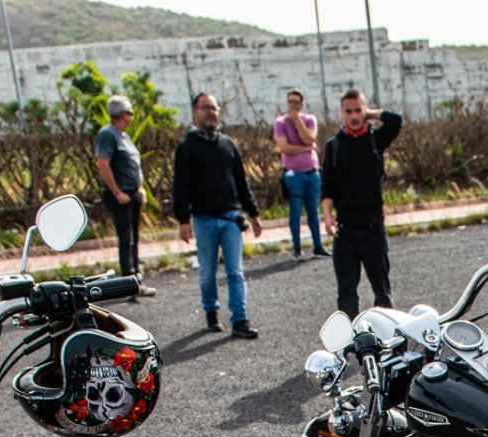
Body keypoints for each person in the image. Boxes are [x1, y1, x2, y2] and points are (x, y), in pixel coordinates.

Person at [171, 91, 262, 338]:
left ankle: (240, 320)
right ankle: (211, 313)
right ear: (194, 111)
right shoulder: (186, 147)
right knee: (208, 272)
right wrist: (183, 220)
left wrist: (253, 214)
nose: (210, 112)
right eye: (205, 107)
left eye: (214, 107)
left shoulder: (228, 144)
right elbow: (181, 186)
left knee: (235, 271)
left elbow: (242, 183)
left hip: (231, 217)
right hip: (204, 219)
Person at [320, 89, 401, 317]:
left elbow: (395, 120)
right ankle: (349, 347)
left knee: (382, 293)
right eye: (349, 111)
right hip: (345, 232)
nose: (354, 116)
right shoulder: (334, 145)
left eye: (358, 110)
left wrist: (371, 114)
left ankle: (389, 344)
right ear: (341, 113)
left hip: (373, 229)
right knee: (346, 294)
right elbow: (327, 187)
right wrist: (327, 217)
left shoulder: (376, 139)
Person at [94, 95, 156, 296]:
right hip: (120, 195)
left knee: (134, 236)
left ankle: (136, 276)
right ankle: (128, 280)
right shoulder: (108, 135)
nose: (132, 116)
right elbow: (103, 164)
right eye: (130, 112)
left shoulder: (123, 136)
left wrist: (139, 188)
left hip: (133, 193)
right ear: (121, 114)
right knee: (126, 238)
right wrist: (116, 191)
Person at [274, 89, 327, 259]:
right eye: (290, 102)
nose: (292, 105)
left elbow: (309, 138)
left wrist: (297, 121)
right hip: (293, 174)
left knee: (313, 211)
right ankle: (297, 248)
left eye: (296, 102)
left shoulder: (309, 120)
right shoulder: (280, 122)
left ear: (301, 104)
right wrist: (305, 149)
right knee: (295, 213)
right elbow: (284, 147)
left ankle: (318, 246)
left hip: (311, 172)